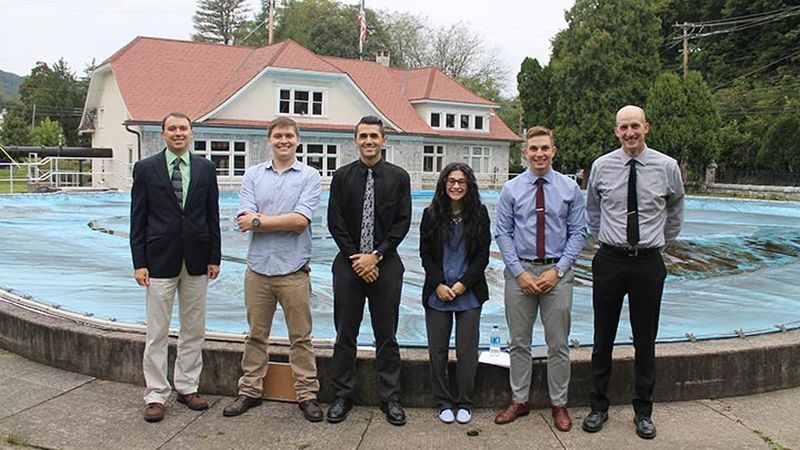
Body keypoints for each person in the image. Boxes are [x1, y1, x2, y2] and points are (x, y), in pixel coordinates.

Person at [582, 105, 685, 440]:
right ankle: (598, 406)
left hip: (648, 263)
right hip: (610, 259)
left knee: (645, 339)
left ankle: (644, 411)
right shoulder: (601, 166)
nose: (630, 133)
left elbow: (676, 208)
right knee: (602, 337)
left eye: (635, 126)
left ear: (646, 128)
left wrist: (658, 241)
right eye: (624, 127)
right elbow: (593, 210)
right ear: (616, 131)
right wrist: (607, 239)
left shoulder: (666, 166)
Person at [221, 117, 323, 422]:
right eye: (278, 135)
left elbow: (300, 222)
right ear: (269, 140)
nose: (283, 140)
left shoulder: (310, 175)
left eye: (289, 136)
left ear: (297, 140)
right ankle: (249, 390)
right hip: (258, 270)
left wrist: (259, 221)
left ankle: (307, 394)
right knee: (255, 335)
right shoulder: (252, 175)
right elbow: (243, 219)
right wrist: (271, 221)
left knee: (301, 337)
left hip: (293, 270)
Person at [494, 126, 587, 431]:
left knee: (558, 342)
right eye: (533, 148)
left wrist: (558, 270)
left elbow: (578, 233)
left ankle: (559, 404)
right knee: (519, 341)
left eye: (544, 148)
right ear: (525, 152)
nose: (539, 154)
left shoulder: (570, 189)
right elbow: (503, 233)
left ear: (553, 151)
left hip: (556, 272)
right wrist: (519, 273)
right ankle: (520, 400)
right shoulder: (511, 189)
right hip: (519, 272)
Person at [130, 112, 221, 423]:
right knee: (157, 331)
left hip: (197, 260)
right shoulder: (145, 169)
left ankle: (187, 386)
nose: (178, 133)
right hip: (158, 260)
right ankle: (155, 394)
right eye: (173, 129)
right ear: (163, 133)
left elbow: (213, 216)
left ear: (192, 133)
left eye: (184, 128)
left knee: (193, 329)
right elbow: (138, 218)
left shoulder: (207, 169)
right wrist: (139, 262)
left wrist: (215, 257)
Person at [326, 115, 412, 426]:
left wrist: (375, 256)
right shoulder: (341, 177)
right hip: (348, 266)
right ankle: (341, 396)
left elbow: (402, 222)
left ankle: (390, 398)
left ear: (383, 140)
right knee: (345, 334)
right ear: (355, 141)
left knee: (386, 335)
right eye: (363, 136)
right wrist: (356, 257)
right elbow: (334, 221)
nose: (369, 141)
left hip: (386, 265)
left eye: (374, 136)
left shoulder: (399, 177)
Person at [419, 162, 490, 425]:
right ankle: (443, 401)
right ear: (443, 184)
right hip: (438, 292)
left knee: (467, 351)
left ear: (469, 185)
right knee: (437, 350)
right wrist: (438, 283)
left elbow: (483, 255)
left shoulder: (480, 214)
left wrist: (464, 284)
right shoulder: (431, 214)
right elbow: (425, 253)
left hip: (468, 292)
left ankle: (464, 402)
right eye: (451, 181)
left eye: (461, 181)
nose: (456, 186)